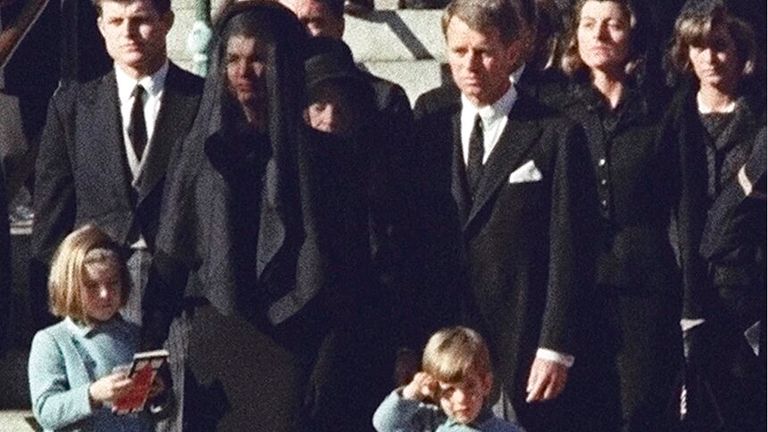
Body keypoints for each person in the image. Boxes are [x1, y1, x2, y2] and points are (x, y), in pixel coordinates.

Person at [140, 2, 375, 431]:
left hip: (297, 345)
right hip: (214, 344)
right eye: (232, 59)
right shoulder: (196, 154)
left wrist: (330, 363)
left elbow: (350, 275)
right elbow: (171, 260)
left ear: (282, 65)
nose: (244, 72)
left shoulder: (330, 161)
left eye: (258, 59)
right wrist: (148, 348)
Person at [412, 0, 593, 430]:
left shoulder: (555, 132)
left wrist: (554, 346)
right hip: (445, 339)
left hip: (521, 339)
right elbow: (411, 234)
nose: (470, 64)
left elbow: (570, 247)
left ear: (513, 53)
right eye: (459, 52)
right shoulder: (428, 119)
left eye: (484, 51)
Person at [30, 0, 204, 330]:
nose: (128, 32)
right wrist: (49, 315)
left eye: (140, 20)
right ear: (100, 27)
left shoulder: (203, 100)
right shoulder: (72, 108)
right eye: (116, 21)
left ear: (166, 21)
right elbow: (52, 217)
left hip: (184, 294)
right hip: (99, 294)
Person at [553, 0, 683, 430]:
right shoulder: (557, 109)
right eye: (589, 25)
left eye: (612, 25)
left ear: (633, 33)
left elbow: (682, 202)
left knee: (640, 412)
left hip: (647, 289)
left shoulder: (662, 109)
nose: (599, 35)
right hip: (579, 286)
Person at [662, 2, 765, 431]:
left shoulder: (759, 125)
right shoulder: (668, 120)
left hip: (745, 296)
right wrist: (743, 186)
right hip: (677, 290)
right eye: (698, 47)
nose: (709, 58)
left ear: (742, 54)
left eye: (720, 46)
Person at [27, 224, 167, 432]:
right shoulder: (53, 340)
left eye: (112, 283)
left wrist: (157, 393)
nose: (105, 294)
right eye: (92, 286)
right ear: (70, 286)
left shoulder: (134, 334)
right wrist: (92, 395)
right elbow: (45, 410)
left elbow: (153, 415)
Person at [373, 326, 523, 432]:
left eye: (470, 386)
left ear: (485, 384)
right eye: (449, 389)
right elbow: (385, 424)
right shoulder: (428, 422)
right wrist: (412, 393)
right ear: (435, 390)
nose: (461, 399)